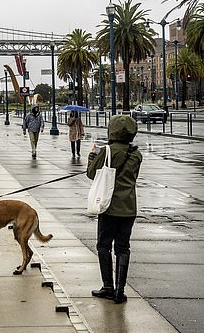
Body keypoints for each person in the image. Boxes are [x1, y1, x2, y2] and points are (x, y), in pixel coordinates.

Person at [86, 114, 143, 304]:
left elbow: (91, 173)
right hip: (129, 207)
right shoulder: (136, 154)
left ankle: (108, 286)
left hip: (108, 206)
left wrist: (93, 155)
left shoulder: (108, 151)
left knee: (103, 246)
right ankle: (120, 290)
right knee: (123, 248)